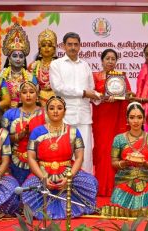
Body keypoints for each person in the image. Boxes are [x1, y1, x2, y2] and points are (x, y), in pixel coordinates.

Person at [21, 96, 97, 219]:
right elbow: (31, 158)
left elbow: (79, 157)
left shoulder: (73, 131)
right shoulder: (37, 132)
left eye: (59, 108)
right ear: (46, 111)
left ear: (65, 111)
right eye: (51, 108)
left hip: (67, 172)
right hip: (43, 173)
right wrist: (43, 177)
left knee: (90, 183)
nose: (55, 111)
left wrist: (69, 177)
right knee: (27, 191)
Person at [49, 32, 99, 174]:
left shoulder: (85, 65)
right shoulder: (56, 64)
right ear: (63, 46)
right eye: (69, 44)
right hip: (64, 117)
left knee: (86, 153)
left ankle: (86, 187)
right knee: (65, 152)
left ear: (80, 46)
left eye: (76, 44)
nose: (72, 47)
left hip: (84, 116)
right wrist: (83, 93)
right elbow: (58, 88)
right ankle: (64, 187)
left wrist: (99, 97)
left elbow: (91, 89)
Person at [109, 102, 148, 212]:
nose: (136, 121)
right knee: (120, 207)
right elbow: (113, 162)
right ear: (127, 119)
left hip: (147, 180)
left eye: (139, 117)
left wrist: (145, 164)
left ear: (144, 119)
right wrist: (125, 163)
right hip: (125, 180)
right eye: (132, 117)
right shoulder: (119, 139)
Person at [92, 49, 130, 196]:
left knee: (114, 149)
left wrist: (122, 96)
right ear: (101, 60)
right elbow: (91, 95)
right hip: (101, 117)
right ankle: (101, 187)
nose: (110, 61)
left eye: (113, 59)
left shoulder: (120, 77)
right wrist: (102, 97)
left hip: (116, 118)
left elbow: (128, 95)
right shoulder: (95, 76)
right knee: (102, 151)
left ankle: (114, 187)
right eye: (107, 58)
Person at [2, 81, 46, 184]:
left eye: (31, 92)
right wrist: (17, 136)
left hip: (40, 161)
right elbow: (2, 139)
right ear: (20, 96)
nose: (28, 95)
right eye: (24, 92)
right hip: (15, 162)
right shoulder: (10, 114)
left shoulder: (46, 114)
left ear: (37, 95)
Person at [1, 23, 35, 108]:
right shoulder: (1, 76)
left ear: (24, 59)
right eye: (15, 56)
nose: (18, 59)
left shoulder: (31, 78)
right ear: (9, 58)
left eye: (21, 56)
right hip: (5, 112)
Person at [28, 29, 58, 105]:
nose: (46, 48)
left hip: (57, 99)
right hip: (38, 100)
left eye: (50, 45)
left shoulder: (59, 65)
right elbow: (30, 86)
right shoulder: (33, 66)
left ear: (54, 49)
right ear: (39, 49)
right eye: (43, 45)